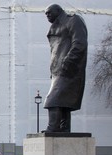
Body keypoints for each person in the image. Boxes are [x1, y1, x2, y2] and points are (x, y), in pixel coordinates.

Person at [43, 4, 88, 132]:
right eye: (46, 14)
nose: (47, 15)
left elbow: (79, 43)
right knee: (63, 101)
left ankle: (53, 128)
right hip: (57, 70)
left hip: (69, 69)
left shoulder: (73, 20)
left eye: (49, 12)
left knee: (53, 100)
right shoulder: (56, 26)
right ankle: (63, 128)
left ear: (58, 11)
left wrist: (68, 62)